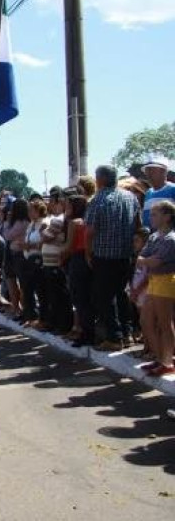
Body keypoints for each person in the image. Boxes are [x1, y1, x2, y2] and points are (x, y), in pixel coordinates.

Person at [86, 165, 141, 351]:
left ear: (100, 179)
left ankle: (114, 337)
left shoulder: (98, 199)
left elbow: (90, 231)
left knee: (104, 297)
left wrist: (88, 252)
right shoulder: (130, 197)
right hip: (125, 255)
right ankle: (127, 334)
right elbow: (138, 224)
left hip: (104, 255)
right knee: (122, 294)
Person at [135, 200, 175, 376]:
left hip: (166, 281)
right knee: (146, 320)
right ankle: (160, 358)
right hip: (154, 281)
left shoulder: (170, 239)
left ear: (167, 217)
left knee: (164, 323)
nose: (151, 217)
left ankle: (167, 361)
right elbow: (142, 257)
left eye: (155, 214)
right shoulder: (153, 236)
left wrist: (146, 260)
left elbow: (155, 261)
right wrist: (146, 260)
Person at [40, 188, 72, 334]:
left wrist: (45, 231)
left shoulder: (58, 220)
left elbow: (45, 236)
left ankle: (62, 325)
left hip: (55, 264)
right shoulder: (57, 220)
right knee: (54, 296)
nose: (49, 206)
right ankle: (58, 324)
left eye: (51, 202)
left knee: (59, 297)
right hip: (50, 263)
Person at [62, 195, 93, 345]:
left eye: (68, 206)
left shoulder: (74, 223)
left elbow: (69, 247)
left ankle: (85, 332)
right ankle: (87, 330)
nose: (66, 209)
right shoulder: (88, 221)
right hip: (87, 259)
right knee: (86, 297)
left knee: (79, 298)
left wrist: (60, 258)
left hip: (77, 259)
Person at [19, 200, 47, 326]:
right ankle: (31, 316)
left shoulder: (44, 224)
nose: (29, 212)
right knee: (27, 288)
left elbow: (43, 243)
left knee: (41, 290)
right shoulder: (31, 225)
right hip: (28, 259)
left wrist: (29, 245)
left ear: (38, 210)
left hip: (38, 259)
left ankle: (43, 318)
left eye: (31, 210)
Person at [141, 155, 175, 230]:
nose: (148, 174)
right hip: (152, 239)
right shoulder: (148, 192)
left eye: (152, 170)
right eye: (147, 171)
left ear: (164, 172)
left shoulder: (173, 189)